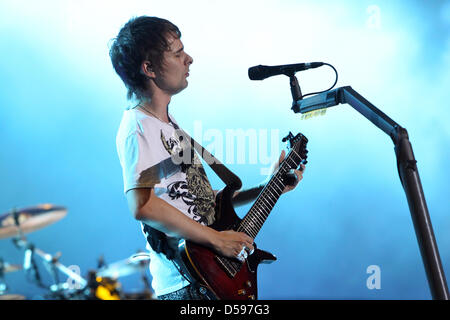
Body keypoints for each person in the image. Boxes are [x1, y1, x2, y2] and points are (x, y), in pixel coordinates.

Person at [110, 16, 305, 300]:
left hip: (210, 279)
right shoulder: (139, 127)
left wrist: (267, 187)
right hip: (187, 284)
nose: (189, 59)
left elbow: (199, 200)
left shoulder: (168, 124)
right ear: (149, 68)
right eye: (177, 53)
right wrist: (216, 239)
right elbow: (142, 204)